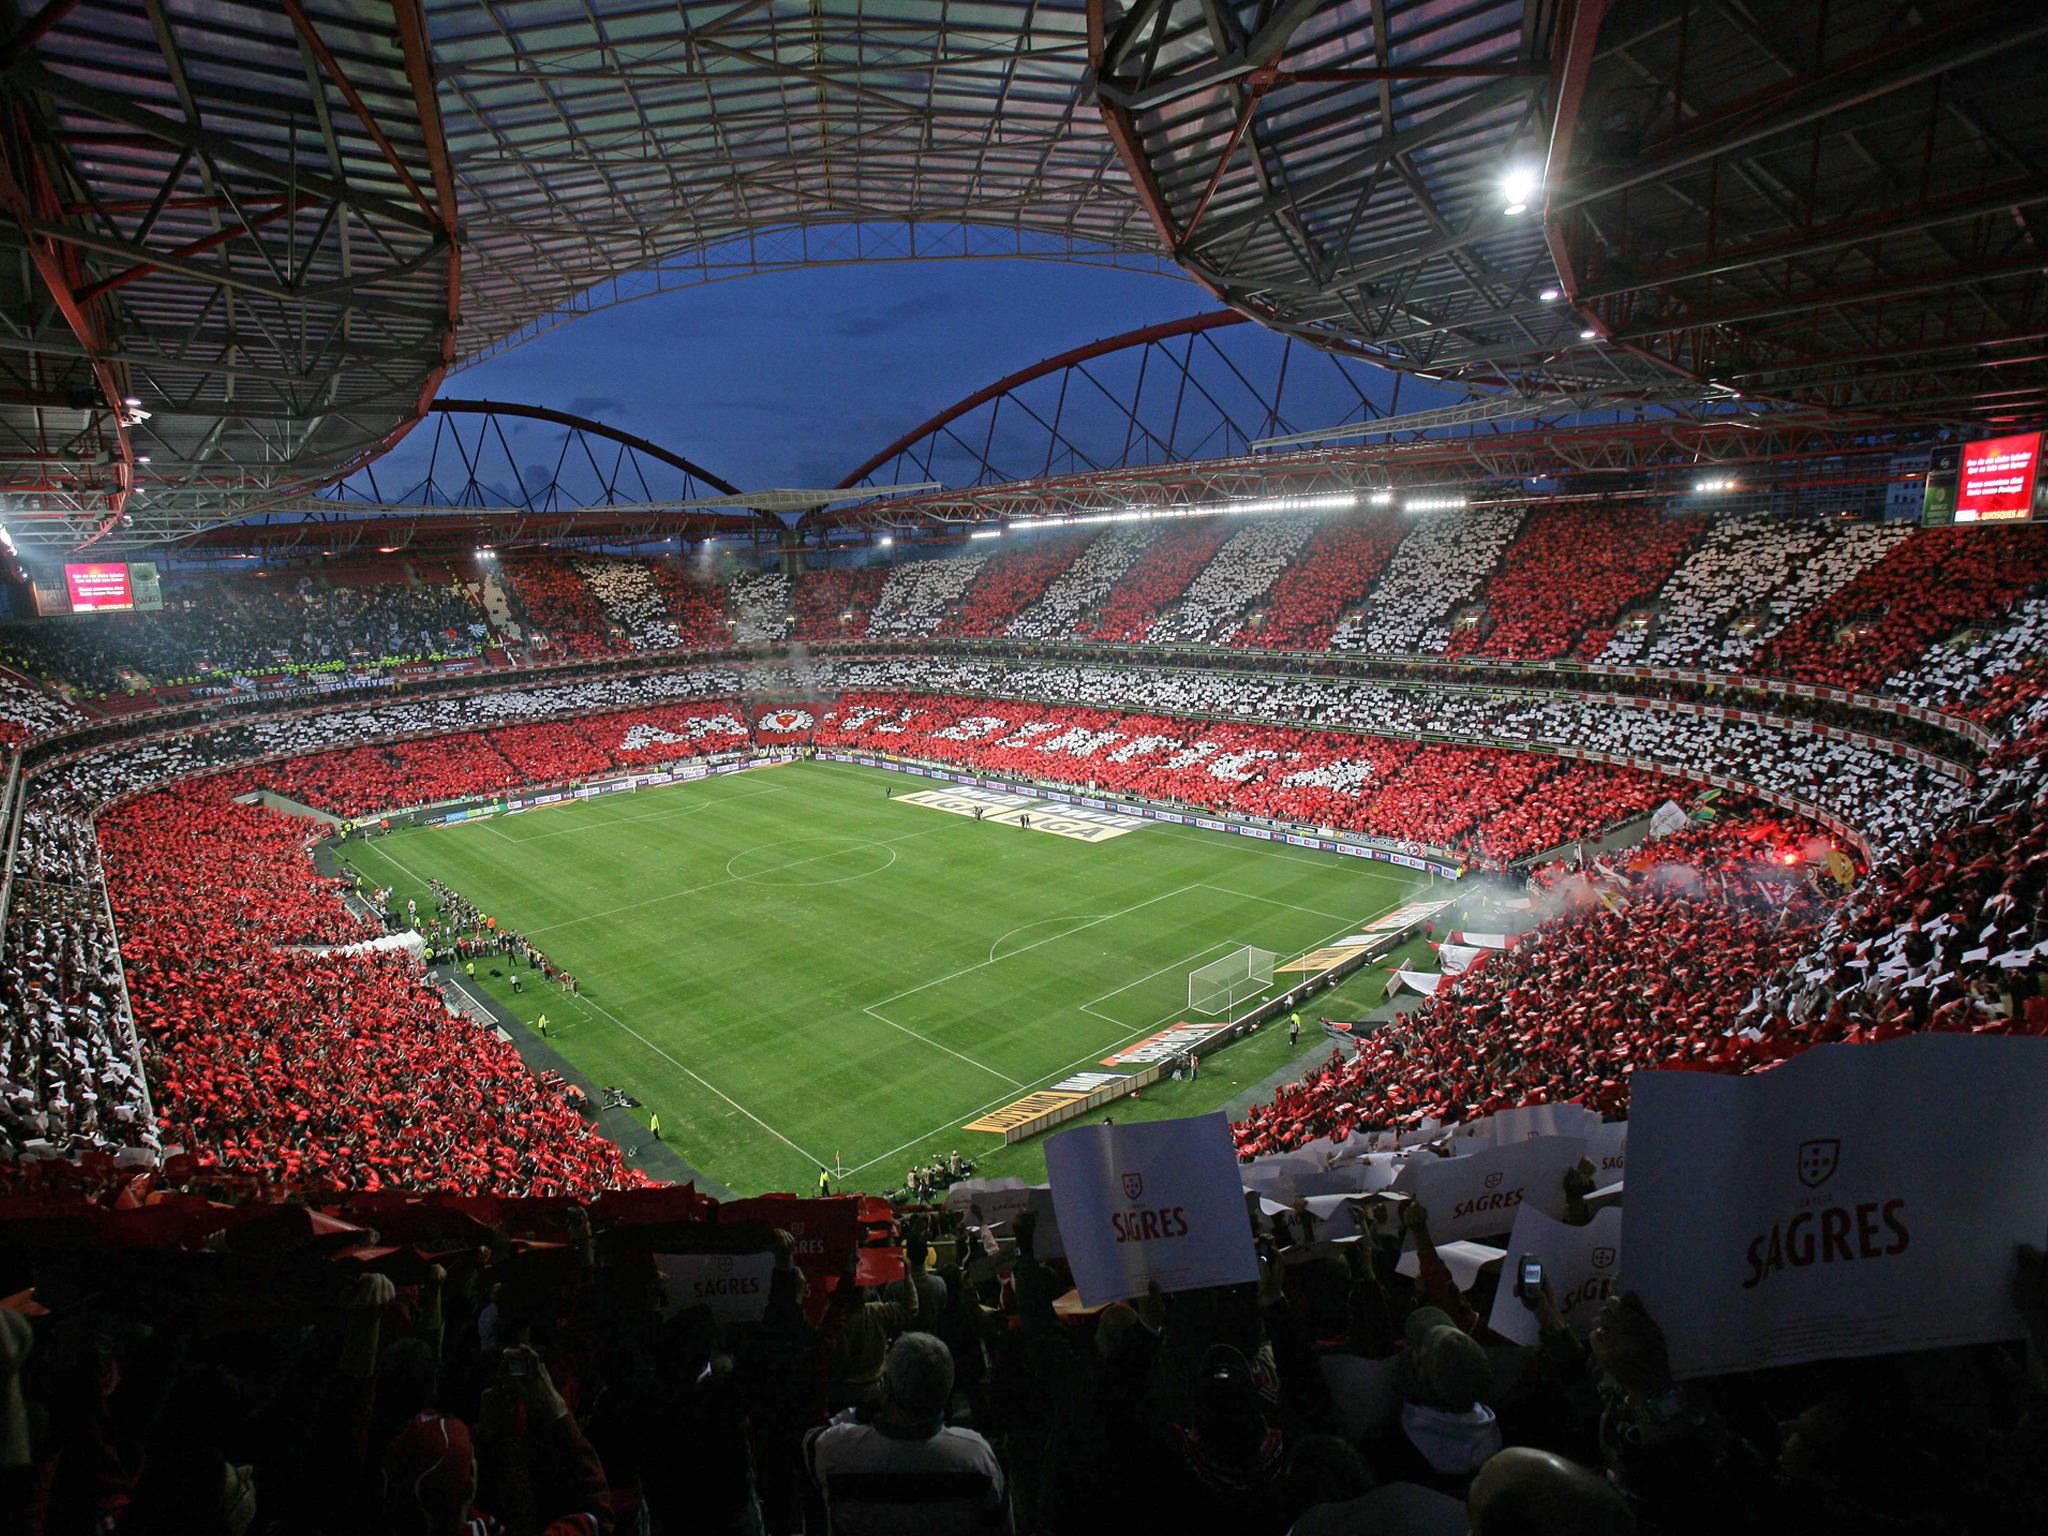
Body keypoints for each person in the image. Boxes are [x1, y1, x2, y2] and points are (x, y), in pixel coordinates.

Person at [805, 1333, 1009, 1536]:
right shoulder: (976, 1455)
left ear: (888, 1390)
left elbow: (812, 1438)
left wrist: (862, 1410)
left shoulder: (836, 1449)